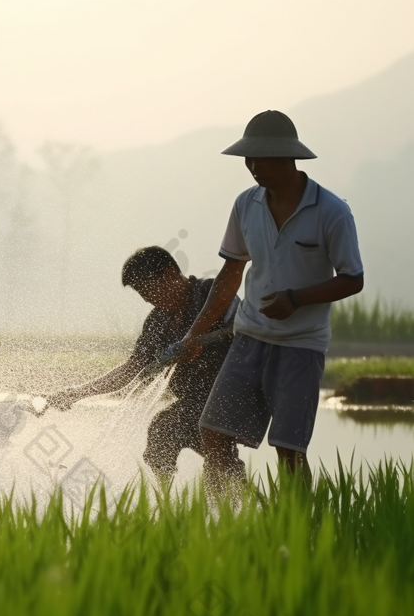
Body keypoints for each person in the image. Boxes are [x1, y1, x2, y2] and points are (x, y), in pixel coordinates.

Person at [175, 110, 364, 490]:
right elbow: (231, 274)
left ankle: (298, 527)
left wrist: (295, 299)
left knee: (289, 450)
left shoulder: (331, 212)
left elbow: (352, 279)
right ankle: (225, 517)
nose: (252, 167)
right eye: (248, 158)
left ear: (287, 158)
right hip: (249, 338)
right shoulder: (246, 204)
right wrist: (194, 335)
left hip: (300, 345)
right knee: (212, 432)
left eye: (261, 158)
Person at [47, 246, 245, 487]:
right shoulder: (157, 321)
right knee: (171, 440)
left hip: (231, 396)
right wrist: (77, 393)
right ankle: (167, 505)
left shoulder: (210, 293)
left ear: (170, 273)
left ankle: (249, 509)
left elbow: (243, 331)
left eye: (148, 288)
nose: (146, 298)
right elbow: (132, 369)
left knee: (188, 440)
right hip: (194, 404)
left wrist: (199, 341)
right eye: (140, 292)